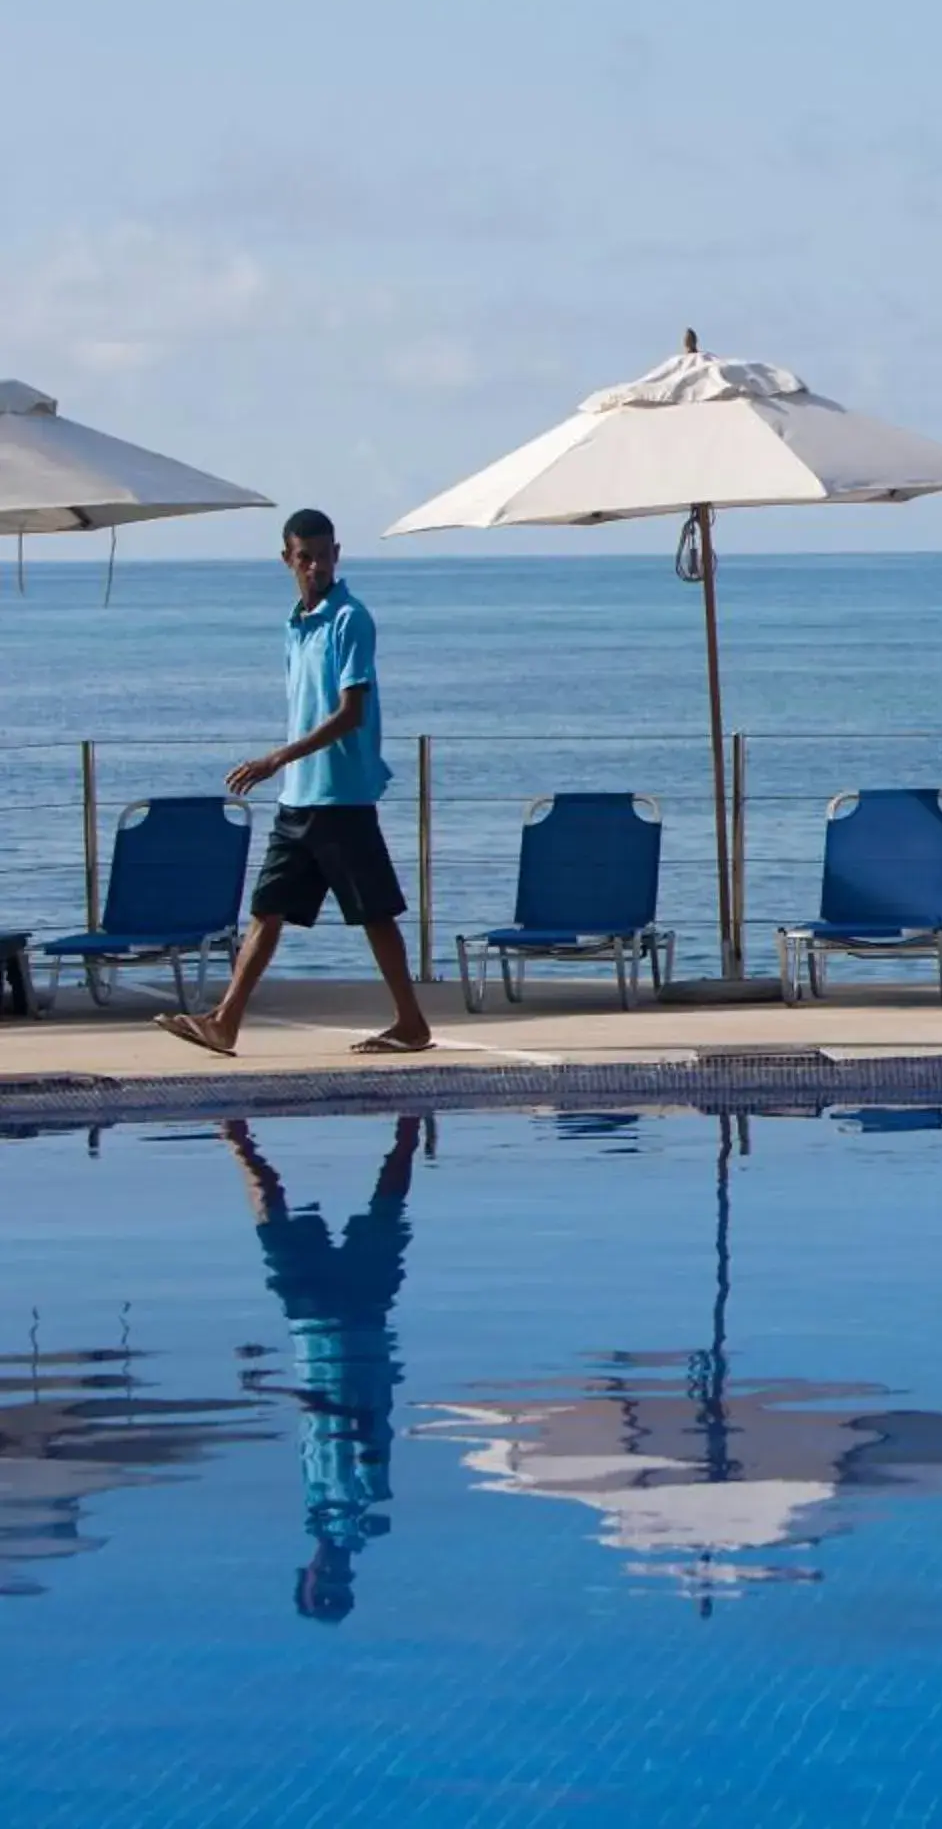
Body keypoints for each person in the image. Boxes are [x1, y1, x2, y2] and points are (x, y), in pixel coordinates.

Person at [160, 509, 430, 1056]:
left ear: (337, 553)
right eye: (304, 557)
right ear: (288, 559)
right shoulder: (295, 623)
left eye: (324, 555)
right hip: (297, 800)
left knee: (374, 913)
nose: (315, 566)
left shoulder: (350, 619)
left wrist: (276, 759)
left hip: (341, 797)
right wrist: (285, 771)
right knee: (267, 910)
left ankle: (411, 1023)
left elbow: (351, 712)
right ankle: (225, 1021)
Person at [225, 1117, 420, 1623]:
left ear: (306, 1576)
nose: (330, 1574)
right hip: (359, 1319)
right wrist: (277, 1390)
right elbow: (358, 1423)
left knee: (271, 1211)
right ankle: (410, 1123)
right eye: (338, 1583)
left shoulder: (315, 1508)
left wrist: (287, 1390)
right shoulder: (366, 1505)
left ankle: (235, 1133)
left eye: (322, 1584)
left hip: (311, 1325)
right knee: (386, 1207)